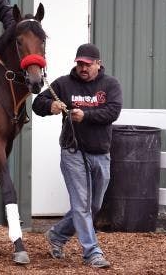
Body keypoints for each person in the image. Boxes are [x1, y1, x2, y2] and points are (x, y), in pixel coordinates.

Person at [32, 43, 122, 268]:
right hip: (72, 152)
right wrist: (50, 105)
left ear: (98, 64)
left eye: (87, 64)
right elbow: (37, 103)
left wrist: (86, 115)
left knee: (93, 206)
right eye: (79, 63)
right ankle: (92, 253)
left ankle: (57, 235)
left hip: (101, 153)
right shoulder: (64, 83)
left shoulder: (110, 85)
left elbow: (113, 111)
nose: (83, 68)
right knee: (81, 204)